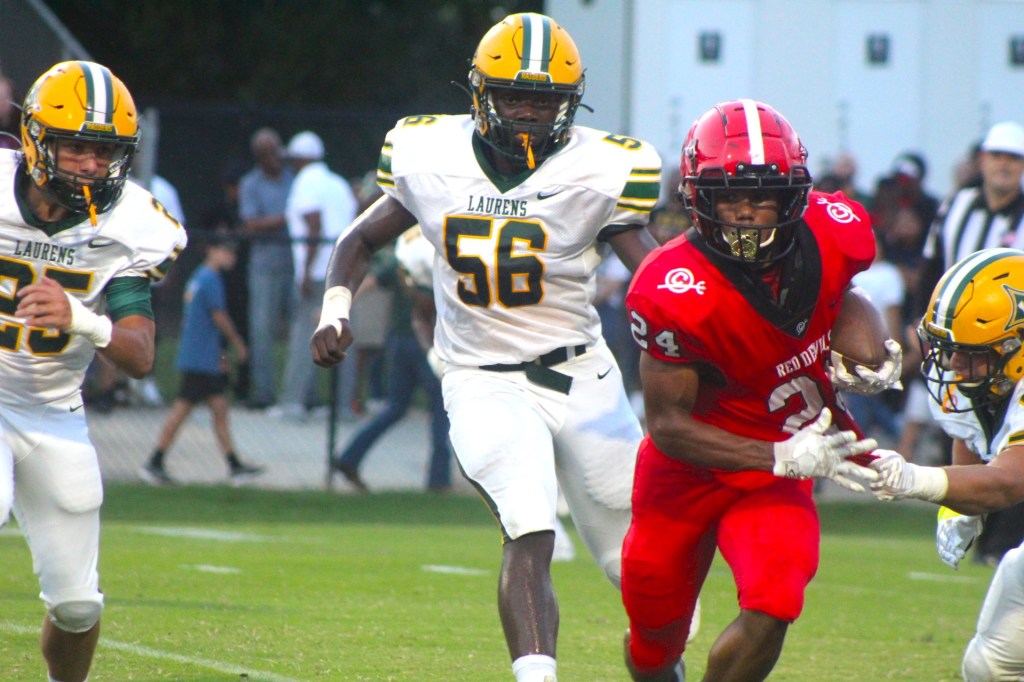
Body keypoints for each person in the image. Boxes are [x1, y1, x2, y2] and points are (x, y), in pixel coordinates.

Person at [311, 13, 664, 681]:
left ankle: (661, 662)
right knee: (528, 525)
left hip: (582, 375)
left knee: (638, 563)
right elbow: (358, 239)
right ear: (480, 93)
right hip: (482, 377)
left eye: (544, 100)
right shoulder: (429, 155)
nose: (528, 112)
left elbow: (654, 272)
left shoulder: (602, 167)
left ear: (570, 103)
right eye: (513, 96)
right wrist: (335, 309)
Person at [621, 99, 889, 682]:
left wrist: (870, 346)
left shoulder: (835, 230)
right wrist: (777, 455)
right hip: (689, 470)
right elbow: (667, 426)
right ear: (698, 198)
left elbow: (844, 292)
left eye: (764, 195)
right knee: (653, 640)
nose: (746, 211)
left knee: (775, 602)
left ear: (793, 197)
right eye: (731, 197)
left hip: (779, 468)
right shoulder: (670, 288)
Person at [0, 60, 186, 682]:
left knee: (78, 607)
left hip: (53, 411)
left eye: (104, 152)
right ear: (36, 140)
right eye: (75, 147)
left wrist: (82, 319)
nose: (89, 165)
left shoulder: (131, 225)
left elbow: (140, 355)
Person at [869, 248, 1024, 682]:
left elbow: (1009, 482)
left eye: (970, 353)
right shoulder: (984, 379)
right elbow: (970, 433)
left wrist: (914, 479)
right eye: (948, 349)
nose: (954, 364)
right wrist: (958, 508)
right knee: (992, 666)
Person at [913, 120, 1024, 564]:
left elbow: (1009, 479)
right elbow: (930, 264)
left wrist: (910, 479)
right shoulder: (957, 205)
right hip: (967, 332)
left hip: (1001, 335)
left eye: (1014, 158)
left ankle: (1002, 545)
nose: (1004, 165)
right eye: (997, 155)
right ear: (981, 160)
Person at [330, 226, 451, 493]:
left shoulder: (403, 255)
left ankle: (350, 457)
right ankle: (439, 480)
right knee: (441, 409)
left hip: (398, 340)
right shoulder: (439, 251)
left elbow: (372, 281)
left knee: (395, 407)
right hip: (427, 342)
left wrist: (338, 307)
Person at [139, 233, 264, 486]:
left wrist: (220, 354)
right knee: (184, 409)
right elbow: (218, 316)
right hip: (200, 358)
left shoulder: (199, 277)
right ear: (212, 251)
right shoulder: (210, 279)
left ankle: (234, 465)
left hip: (200, 355)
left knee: (218, 409)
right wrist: (238, 343)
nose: (230, 257)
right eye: (225, 251)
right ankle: (155, 462)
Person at [271, 130, 358, 420]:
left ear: (301, 160)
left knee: (304, 336)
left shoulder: (306, 183)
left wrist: (306, 272)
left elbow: (313, 226)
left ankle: (293, 404)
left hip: (319, 272)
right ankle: (342, 407)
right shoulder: (339, 184)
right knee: (343, 334)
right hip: (344, 272)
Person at [238, 127, 294, 409]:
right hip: (264, 266)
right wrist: (287, 218)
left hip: (296, 263)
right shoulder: (251, 184)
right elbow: (250, 224)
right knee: (262, 330)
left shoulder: (294, 177)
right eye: (269, 153)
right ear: (260, 156)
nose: (276, 158)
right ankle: (264, 393)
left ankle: (300, 395)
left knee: (302, 328)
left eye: (277, 151)